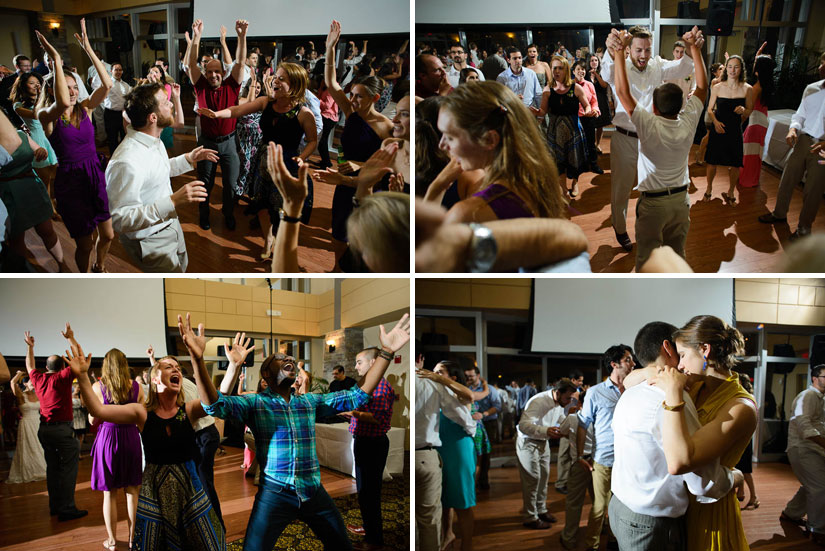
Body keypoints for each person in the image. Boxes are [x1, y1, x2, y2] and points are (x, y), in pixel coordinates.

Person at [189, 312, 409, 551]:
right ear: (266, 375)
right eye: (280, 357)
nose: (289, 358)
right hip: (274, 493)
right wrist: (198, 360)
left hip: (313, 491)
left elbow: (358, 395)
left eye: (290, 357)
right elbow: (214, 405)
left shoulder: (309, 401)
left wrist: (386, 353)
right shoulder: (255, 403)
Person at [66, 339, 225, 550]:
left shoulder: (188, 410)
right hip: (154, 488)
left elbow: (213, 402)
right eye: (169, 367)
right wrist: (83, 376)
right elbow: (99, 411)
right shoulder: (142, 412)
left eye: (177, 367)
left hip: (188, 488)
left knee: (202, 542)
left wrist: (198, 359)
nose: (176, 369)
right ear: (155, 379)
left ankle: (118, 539)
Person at [610, 321, 740, 551]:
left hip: (620, 506)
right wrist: (733, 477)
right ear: (668, 348)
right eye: (679, 354)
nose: (681, 364)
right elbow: (701, 482)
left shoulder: (632, 391)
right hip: (651, 525)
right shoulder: (671, 398)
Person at [652, 315, 757, 551]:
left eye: (684, 355)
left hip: (711, 506)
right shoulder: (695, 385)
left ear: (705, 350)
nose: (679, 365)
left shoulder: (741, 407)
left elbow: (686, 459)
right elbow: (631, 380)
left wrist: (673, 396)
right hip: (681, 503)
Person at [198, 63, 317, 260]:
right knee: (261, 204)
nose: (275, 81)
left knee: (281, 210)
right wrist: (217, 114)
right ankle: (267, 239)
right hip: (263, 162)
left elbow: (313, 141)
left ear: (295, 84)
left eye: (281, 79)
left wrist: (302, 157)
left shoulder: (304, 114)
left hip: (286, 165)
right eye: (275, 76)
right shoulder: (265, 102)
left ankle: (279, 243)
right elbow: (237, 110)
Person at [610, 27, 707, 270]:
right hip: (680, 201)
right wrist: (695, 48)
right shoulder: (688, 120)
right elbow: (703, 88)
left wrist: (619, 52)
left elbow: (622, 93)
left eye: (647, 49)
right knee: (677, 254)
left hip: (653, 204)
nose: (643, 54)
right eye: (638, 49)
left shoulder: (648, 123)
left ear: (653, 107)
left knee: (647, 258)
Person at [105, 82, 216, 272]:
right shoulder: (126, 161)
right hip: (150, 239)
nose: (172, 104)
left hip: (170, 222)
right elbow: (120, 219)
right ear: (153, 117)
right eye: (166, 102)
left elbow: (156, 172)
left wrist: (188, 159)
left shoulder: (152, 138)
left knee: (182, 268)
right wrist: (172, 201)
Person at [36, 25, 115, 273]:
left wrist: (88, 49)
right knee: (84, 243)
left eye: (74, 87)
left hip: (95, 173)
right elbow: (60, 102)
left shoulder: (86, 108)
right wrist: (57, 60)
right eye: (66, 87)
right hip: (71, 183)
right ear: (53, 89)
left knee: (109, 234)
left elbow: (107, 85)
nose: (71, 91)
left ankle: (99, 265)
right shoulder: (46, 116)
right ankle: (85, 277)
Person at [435, 80, 566, 224]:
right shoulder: (541, 178)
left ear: (490, 139)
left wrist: (435, 189)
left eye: (450, 137)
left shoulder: (469, 213)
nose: (442, 145)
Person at [318, 20, 393, 249]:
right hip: (344, 183)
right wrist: (330, 49)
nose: (352, 100)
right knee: (339, 232)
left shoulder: (386, 127)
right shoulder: (351, 112)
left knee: (363, 236)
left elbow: (390, 166)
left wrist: (359, 164)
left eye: (359, 96)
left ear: (375, 99)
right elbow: (331, 82)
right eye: (352, 94)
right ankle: (336, 268)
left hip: (369, 186)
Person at [187, 18, 248, 232]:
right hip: (207, 143)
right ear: (205, 74)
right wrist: (196, 37)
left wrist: (241, 37)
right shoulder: (200, 86)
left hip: (229, 143)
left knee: (230, 185)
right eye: (209, 71)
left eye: (217, 71)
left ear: (223, 73)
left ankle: (228, 213)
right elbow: (191, 63)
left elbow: (239, 63)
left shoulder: (232, 85)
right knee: (205, 184)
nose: (213, 75)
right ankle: (204, 215)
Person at [23, 329, 87, 521]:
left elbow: (29, 366)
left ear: (47, 366)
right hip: (62, 430)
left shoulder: (39, 378)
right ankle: (67, 509)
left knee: (52, 468)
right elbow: (80, 359)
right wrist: (71, 338)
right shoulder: (62, 377)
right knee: (68, 468)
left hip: (45, 430)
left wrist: (30, 347)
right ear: (62, 367)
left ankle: (55, 506)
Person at [576, 344, 635, 551]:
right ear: (614, 364)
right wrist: (581, 454)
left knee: (623, 507)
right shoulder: (594, 393)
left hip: (629, 462)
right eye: (628, 359)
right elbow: (582, 425)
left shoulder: (634, 390)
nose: (633, 363)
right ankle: (591, 545)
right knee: (600, 507)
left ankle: (613, 540)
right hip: (604, 460)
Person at [415, 361, 476, 551]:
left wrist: (439, 379)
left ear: (452, 377)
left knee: (462, 501)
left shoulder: (458, 393)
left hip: (458, 446)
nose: (433, 374)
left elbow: (470, 396)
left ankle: (467, 545)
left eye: (439, 372)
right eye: (433, 371)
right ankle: (448, 534)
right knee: (442, 499)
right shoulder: (435, 390)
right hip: (438, 448)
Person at [757, 71, 825, 240]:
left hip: (823, 147)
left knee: (813, 189)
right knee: (787, 178)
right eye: (822, 62)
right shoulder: (811, 89)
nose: (821, 67)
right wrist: (793, 129)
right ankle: (779, 213)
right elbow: (800, 115)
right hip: (803, 140)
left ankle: (804, 229)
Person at [88, 346, 144, 551]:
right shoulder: (137, 387)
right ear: (124, 364)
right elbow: (141, 418)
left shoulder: (97, 387)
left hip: (108, 438)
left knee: (109, 493)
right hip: (130, 437)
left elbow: (94, 418)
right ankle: (132, 539)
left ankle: (112, 541)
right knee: (132, 491)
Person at [0, 107, 69, 271]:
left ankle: (62, 264)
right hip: (9, 193)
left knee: (46, 229)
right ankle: (22, 272)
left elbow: (37, 148)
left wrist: (41, 151)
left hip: (31, 186)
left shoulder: (21, 135)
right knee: (17, 238)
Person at [344, 348, 398, 550]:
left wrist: (352, 413)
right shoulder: (368, 385)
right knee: (364, 491)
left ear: (374, 362)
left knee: (370, 493)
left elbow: (378, 418)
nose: (356, 366)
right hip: (364, 441)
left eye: (359, 362)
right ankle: (369, 527)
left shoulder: (381, 387)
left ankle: (374, 541)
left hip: (372, 444)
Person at [516, 378, 577, 529]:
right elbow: (523, 425)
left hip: (543, 442)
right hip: (528, 443)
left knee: (543, 478)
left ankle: (541, 510)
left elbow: (559, 418)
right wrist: (546, 430)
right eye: (567, 398)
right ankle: (530, 517)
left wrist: (569, 418)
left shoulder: (558, 402)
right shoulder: (539, 401)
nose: (569, 401)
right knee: (532, 480)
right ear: (557, 392)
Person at [532, 56, 591, 198]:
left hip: (573, 130)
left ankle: (575, 183)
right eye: (554, 68)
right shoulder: (547, 89)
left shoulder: (575, 87)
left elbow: (586, 105)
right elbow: (543, 111)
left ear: (566, 69)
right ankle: (564, 190)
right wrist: (534, 112)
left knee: (575, 160)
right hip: (555, 132)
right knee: (558, 163)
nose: (557, 71)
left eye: (560, 68)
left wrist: (589, 111)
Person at [781, 364, 825, 546]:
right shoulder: (807, 396)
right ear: (815, 378)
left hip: (813, 449)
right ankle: (817, 529)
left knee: (812, 485)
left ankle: (791, 514)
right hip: (803, 448)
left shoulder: (820, 398)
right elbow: (804, 425)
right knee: (820, 487)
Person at [703, 55, 753, 204]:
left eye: (736, 66)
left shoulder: (747, 88)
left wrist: (743, 110)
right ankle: (709, 189)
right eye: (730, 66)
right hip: (718, 128)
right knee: (712, 161)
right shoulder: (718, 86)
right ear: (726, 67)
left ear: (741, 69)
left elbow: (750, 110)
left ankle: (731, 190)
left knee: (736, 163)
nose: (732, 70)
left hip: (734, 130)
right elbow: (710, 109)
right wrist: (715, 123)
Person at [10, 71, 58, 204]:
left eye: (38, 83)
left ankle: (54, 202)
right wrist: (41, 96)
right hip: (36, 140)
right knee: (44, 179)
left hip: (48, 138)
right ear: (24, 86)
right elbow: (36, 114)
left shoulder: (45, 100)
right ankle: (49, 208)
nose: (36, 86)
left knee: (55, 174)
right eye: (32, 83)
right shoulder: (18, 105)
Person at [559, 391, 594, 550]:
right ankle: (603, 531)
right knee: (599, 502)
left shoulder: (573, 418)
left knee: (574, 503)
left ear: (580, 403)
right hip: (597, 462)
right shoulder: (601, 418)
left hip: (579, 463)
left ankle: (569, 537)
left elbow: (563, 431)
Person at [740, 44, 774, 188]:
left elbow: (748, 110)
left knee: (749, 153)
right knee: (755, 152)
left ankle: (747, 179)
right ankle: (751, 177)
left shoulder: (756, 88)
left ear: (758, 70)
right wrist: (758, 55)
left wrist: (737, 123)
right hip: (762, 122)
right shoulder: (767, 85)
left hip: (754, 124)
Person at [5, 370, 47, 483]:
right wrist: (19, 374)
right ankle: (29, 470)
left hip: (38, 422)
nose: (33, 383)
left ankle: (42, 469)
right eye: (31, 381)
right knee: (28, 447)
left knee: (40, 446)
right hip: (27, 423)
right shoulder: (21, 395)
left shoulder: (38, 394)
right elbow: (13, 383)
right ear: (25, 384)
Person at [94, 63, 131, 155]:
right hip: (110, 114)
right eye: (116, 70)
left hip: (122, 115)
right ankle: (113, 158)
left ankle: (123, 157)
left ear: (122, 71)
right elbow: (96, 87)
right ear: (111, 71)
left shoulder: (126, 85)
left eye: (120, 70)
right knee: (112, 139)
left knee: (124, 138)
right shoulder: (107, 83)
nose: (118, 72)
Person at [572, 60, 602, 176]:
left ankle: (593, 164)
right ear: (573, 71)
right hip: (575, 118)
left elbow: (594, 101)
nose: (581, 71)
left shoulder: (589, 85)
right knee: (577, 143)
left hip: (588, 117)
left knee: (590, 142)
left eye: (583, 69)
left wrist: (595, 110)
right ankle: (580, 166)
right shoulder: (570, 85)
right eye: (578, 69)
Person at [734, 373, 759, 509]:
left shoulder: (747, 399)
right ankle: (741, 492)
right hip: (741, 436)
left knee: (745, 470)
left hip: (744, 437)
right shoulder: (744, 397)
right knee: (739, 467)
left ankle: (754, 496)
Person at [695, 63, 725, 166]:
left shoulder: (723, 82)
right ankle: (699, 154)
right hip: (712, 112)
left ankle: (707, 156)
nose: (723, 70)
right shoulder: (714, 81)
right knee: (708, 136)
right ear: (714, 72)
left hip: (718, 112)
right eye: (721, 69)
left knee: (713, 137)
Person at [585, 54, 612, 156]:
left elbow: (604, 85)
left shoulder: (602, 73)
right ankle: (590, 145)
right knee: (590, 124)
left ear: (598, 62)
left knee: (600, 125)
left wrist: (596, 74)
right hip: (589, 101)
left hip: (600, 100)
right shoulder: (586, 73)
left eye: (596, 60)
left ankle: (598, 144)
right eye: (592, 60)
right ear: (589, 62)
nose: (594, 62)